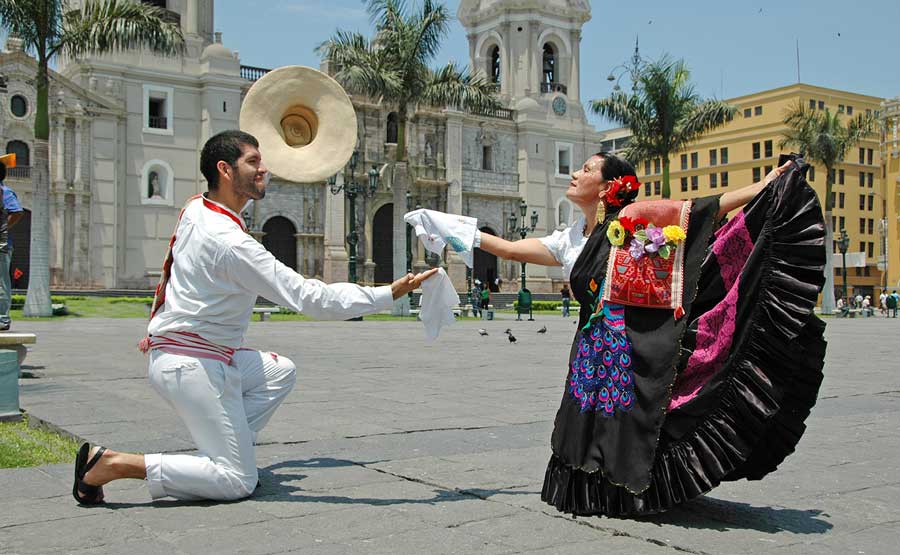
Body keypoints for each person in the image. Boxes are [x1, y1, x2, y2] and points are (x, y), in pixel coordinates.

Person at [412, 151, 827, 516]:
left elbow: (705, 208)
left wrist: (767, 185)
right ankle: (598, 492)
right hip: (592, 345)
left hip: (634, 341)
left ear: (609, 186)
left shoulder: (634, 219)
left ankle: (636, 491)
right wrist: (449, 226)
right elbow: (506, 248)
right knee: (588, 417)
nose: (575, 173)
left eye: (586, 168)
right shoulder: (570, 239)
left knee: (633, 416)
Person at [72, 130, 436, 505]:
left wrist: (157, 327)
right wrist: (387, 293)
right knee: (236, 482)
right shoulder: (232, 243)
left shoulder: (197, 208)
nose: (265, 169)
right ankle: (114, 464)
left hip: (191, 355)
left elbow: (171, 274)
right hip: (193, 364)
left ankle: (227, 454)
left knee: (280, 371)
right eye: (254, 162)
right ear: (225, 170)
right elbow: (311, 299)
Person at [0, 155, 24, 332]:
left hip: (1, 246)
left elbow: (16, 212)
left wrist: (3, 228)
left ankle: (2, 319)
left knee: (0, 282)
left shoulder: (4, 192)